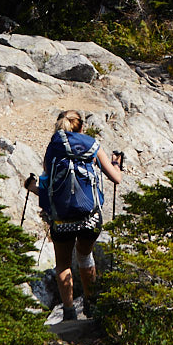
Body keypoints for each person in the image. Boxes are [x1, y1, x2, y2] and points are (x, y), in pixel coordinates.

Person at [40, 109, 121, 321]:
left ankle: (68, 313)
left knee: (63, 264)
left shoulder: (53, 147)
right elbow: (116, 178)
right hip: (90, 217)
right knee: (85, 256)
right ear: (81, 127)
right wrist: (116, 163)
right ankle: (92, 304)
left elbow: (47, 179)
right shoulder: (92, 145)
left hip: (61, 218)